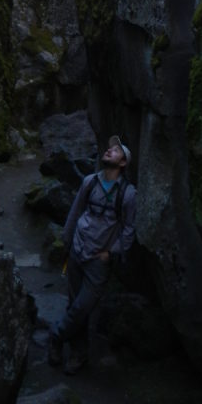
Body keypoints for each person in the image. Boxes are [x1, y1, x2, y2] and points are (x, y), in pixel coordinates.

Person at [48, 134, 137, 375]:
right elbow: (75, 212)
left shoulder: (128, 194)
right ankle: (78, 354)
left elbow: (129, 230)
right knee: (74, 305)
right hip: (78, 250)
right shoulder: (89, 182)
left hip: (99, 259)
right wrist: (66, 244)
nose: (109, 151)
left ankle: (55, 336)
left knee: (82, 308)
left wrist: (112, 253)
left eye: (116, 151)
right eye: (109, 149)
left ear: (123, 163)